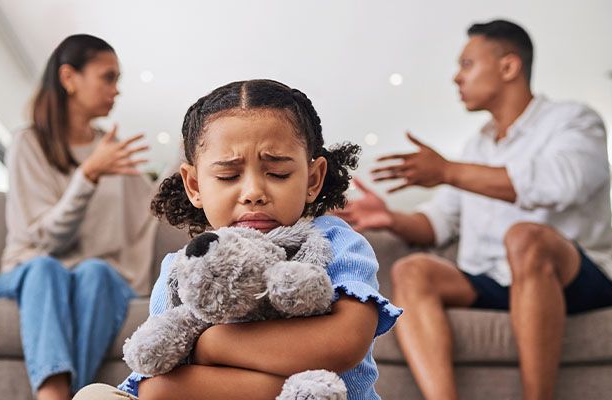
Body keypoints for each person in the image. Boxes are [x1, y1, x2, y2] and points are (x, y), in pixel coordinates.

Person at [336, 19, 612, 400]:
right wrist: (391, 218)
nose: (457, 78)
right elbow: (438, 222)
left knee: (524, 237)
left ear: (508, 67)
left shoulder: (573, 121)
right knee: (412, 270)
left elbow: (561, 183)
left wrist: (447, 171)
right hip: (496, 281)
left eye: (467, 64)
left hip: (574, 279)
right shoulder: (477, 147)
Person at [77, 79, 402, 400]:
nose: (253, 193)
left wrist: (212, 345)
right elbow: (155, 377)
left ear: (313, 179)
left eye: (277, 174)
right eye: (228, 176)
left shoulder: (336, 243)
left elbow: (344, 344)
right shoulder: (183, 269)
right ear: (194, 186)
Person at [0, 34, 156, 400]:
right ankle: (56, 393)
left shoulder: (110, 149)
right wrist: (88, 176)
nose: (116, 91)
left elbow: (153, 208)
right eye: (108, 77)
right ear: (69, 78)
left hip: (91, 276)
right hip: (27, 273)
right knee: (46, 267)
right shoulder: (29, 143)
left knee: (98, 271)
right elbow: (45, 241)